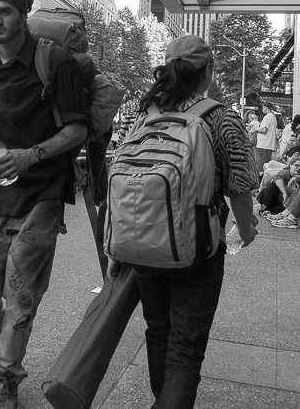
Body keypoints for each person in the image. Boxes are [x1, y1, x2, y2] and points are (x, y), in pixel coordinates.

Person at [0, 0, 90, 409]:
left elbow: (77, 129)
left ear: (23, 15)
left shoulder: (54, 61)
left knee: (21, 293)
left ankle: (4, 377)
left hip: (42, 195)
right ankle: (3, 356)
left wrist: (30, 156)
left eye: (5, 12)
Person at [114, 34, 258, 409]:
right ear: (208, 72)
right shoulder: (221, 118)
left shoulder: (143, 115)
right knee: (185, 349)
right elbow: (241, 188)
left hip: (143, 243)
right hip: (199, 247)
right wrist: (246, 231)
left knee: (158, 331)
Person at [254, 102, 278, 170]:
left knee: (261, 165)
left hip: (263, 144)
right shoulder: (273, 117)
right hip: (269, 144)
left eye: (263, 108)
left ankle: (260, 175)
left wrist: (255, 129)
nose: (262, 109)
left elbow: (264, 130)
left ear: (266, 107)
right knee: (266, 165)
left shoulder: (267, 117)